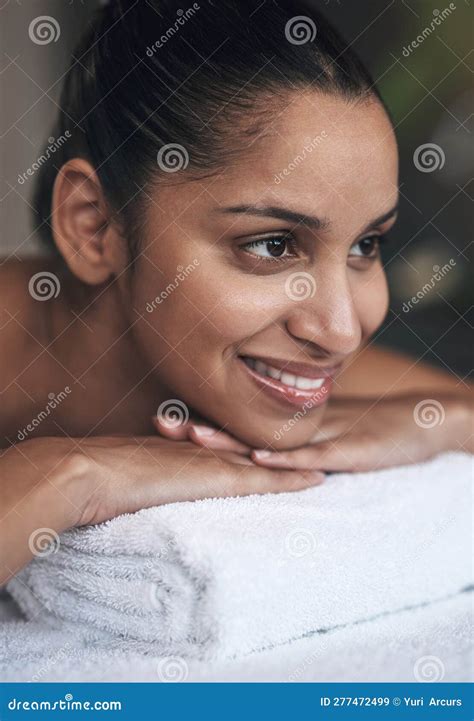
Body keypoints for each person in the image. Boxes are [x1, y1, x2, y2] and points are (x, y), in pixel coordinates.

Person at [1, 0, 471, 584]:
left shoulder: (274, 360)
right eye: (273, 245)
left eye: (365, 246)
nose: (341, 332)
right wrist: (60, 474)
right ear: (95, 225)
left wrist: (438, 424)